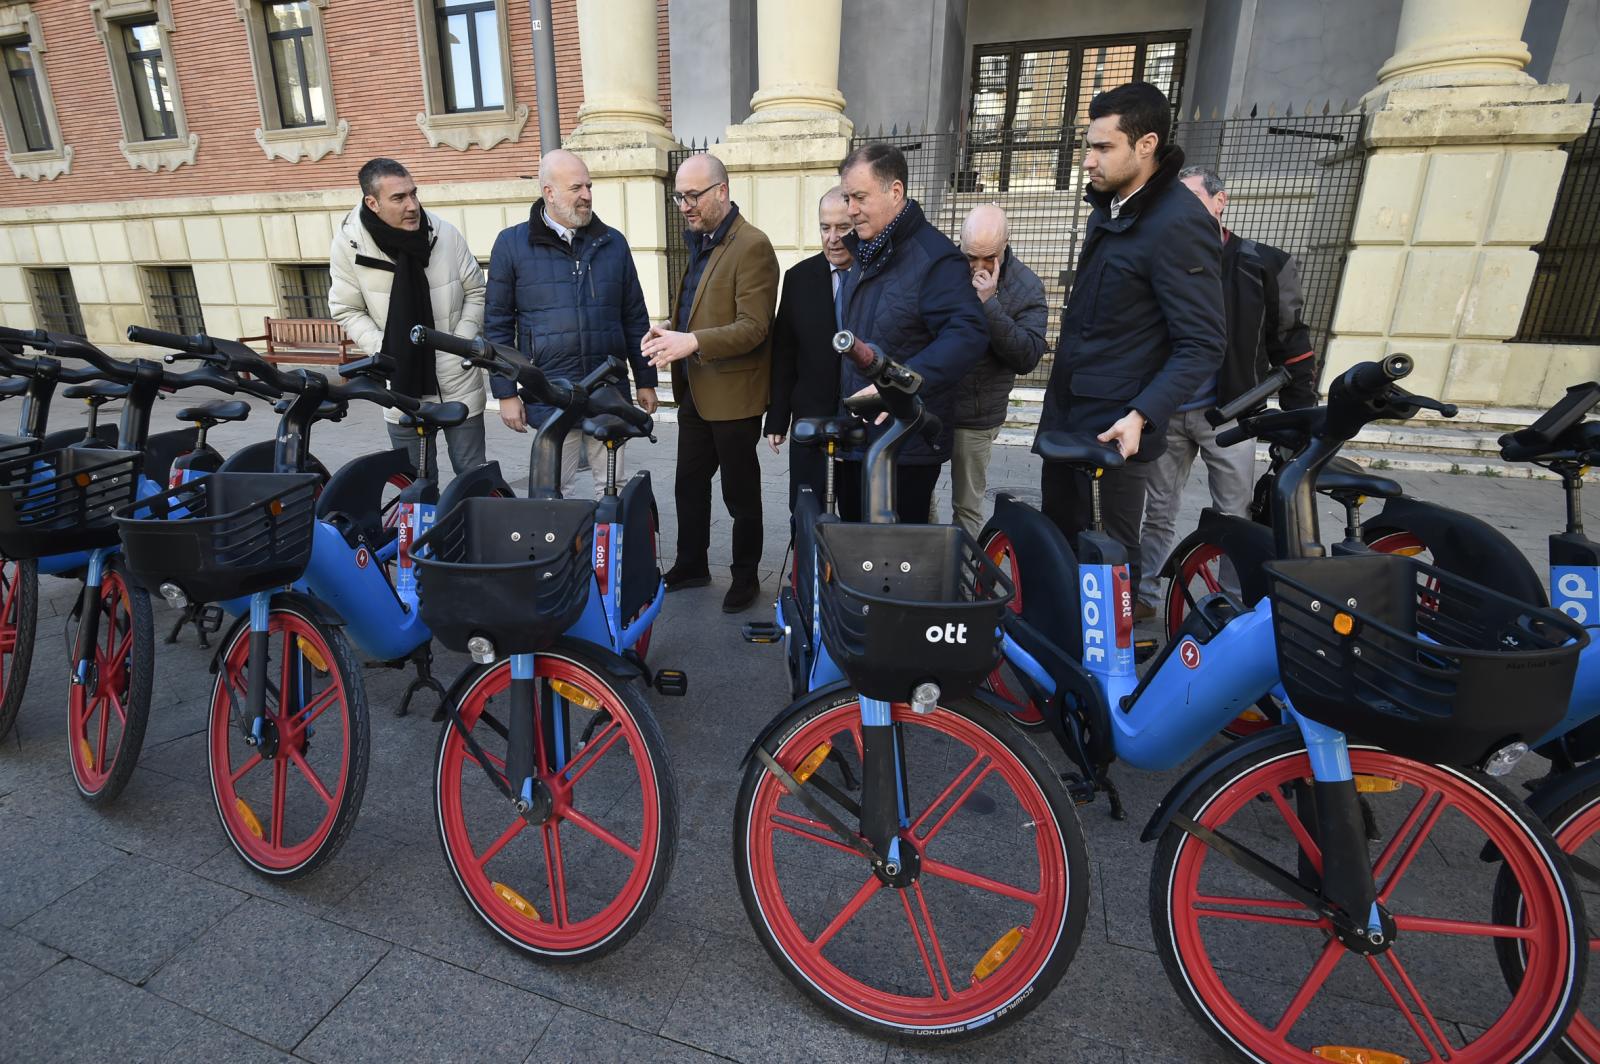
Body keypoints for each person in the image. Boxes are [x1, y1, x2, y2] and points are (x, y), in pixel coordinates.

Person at [1035, 82, 1225, 587]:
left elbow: (1202, 342)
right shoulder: (1115, 206)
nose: (1088, 161)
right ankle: (1059, 654)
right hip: (1071, 417)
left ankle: (1111, 663)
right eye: (1087, 146)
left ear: (1146, 145)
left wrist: (1142, 414)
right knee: (1059, 555)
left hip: (1117, 434)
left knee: (1111, 565)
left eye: (1102, 148)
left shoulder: (1179, 223)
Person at [1134, 164, 1319, 619]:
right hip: (1170, 411)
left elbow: (1292, 342)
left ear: (1221, 202)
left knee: (1233, 517)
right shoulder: (1161, 262)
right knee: (1157, 511)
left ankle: (1233, 605)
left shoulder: (1264, 264)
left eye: (1193, 200)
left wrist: (1299, 419)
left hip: (1234, 414)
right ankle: (1145, 597)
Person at [644, 152, 778, 613]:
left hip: (735, 397)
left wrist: (691, 340)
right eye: (679, 196)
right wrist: (670, 328)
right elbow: (702, 306)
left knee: (740, 495)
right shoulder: (701, 239)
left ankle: (745, 577)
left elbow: (754, 326)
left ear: (721, 190)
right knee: (688, 485)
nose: (684, 204)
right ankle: (692, 563)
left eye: (692, 195)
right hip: (696, 393)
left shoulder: (752, 245)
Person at [484, 149, 658, 497]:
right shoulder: (512, 244)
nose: (587, 195)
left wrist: (646, 380)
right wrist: (505, 393)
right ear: (549, 192)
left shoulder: (612, 243)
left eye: (589, 186)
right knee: (550, 489)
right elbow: (498, 325)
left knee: (612, 488)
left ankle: (610, 551)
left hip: (606, 389)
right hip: (551, 390)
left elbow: (635, 317)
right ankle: (563, 552)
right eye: (576, 187)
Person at [834, 143, 988, 524]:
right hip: (859, 438)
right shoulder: (866, 252)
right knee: (854, 553)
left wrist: (901, 383)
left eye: (859, 197)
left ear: (895, 192)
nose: (850, 209)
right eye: (846, 197)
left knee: (901, 567)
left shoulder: (935, 258)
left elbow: (967, 334)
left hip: (907, 443)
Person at [330, 157, 487, 479]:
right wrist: (385, 350)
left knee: (473, 478)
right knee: (415, 482)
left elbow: (477, 292)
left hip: (457, 380)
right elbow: (346, 308)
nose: (412, 205)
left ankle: (469, 529)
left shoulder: (445, 234)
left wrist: (458, 344)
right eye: (399, 198)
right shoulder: (349, 246)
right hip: (400, 384)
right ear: (372, 202)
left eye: (413, 194)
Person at [936, 204, 1047, 537]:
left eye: (990, 257)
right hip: (932, 406)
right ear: (960, 242)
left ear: (1006, 243)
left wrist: (989, 304)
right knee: (917, 492)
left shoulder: (1026, 286)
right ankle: (928, 571)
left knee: (967, 506)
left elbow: (1027, 356)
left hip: (977, 416)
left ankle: (963, 578)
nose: (980, 267)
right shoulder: (940, 270)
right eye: (972, 256)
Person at [765, 187, 855, 511]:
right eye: (824, 227)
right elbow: (784, 352)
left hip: (863, 425)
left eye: (843, 228)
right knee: (805, 512)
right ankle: (804, 562)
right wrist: (777, 418)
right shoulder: (798, 278)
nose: (832, 238)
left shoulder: (877, 277)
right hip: (810, 418)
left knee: (857, 521)